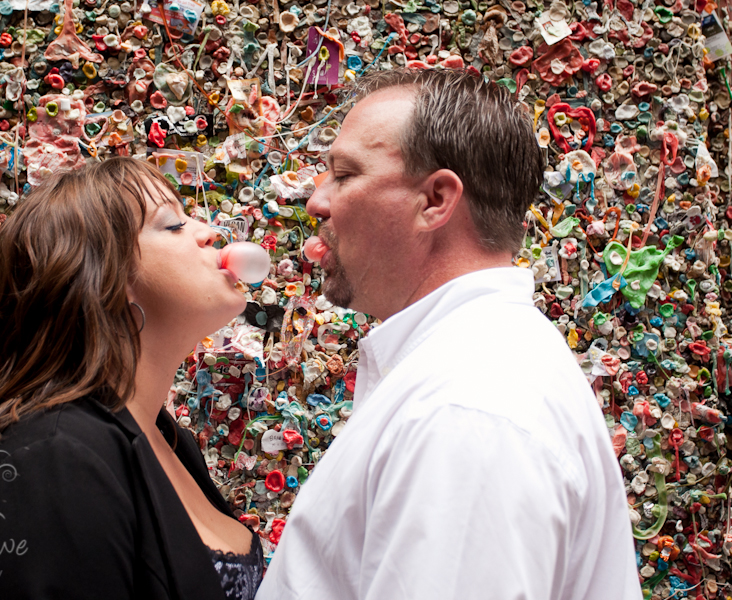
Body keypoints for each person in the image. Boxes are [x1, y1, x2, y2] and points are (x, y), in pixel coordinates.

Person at [256, 68, 642, 599]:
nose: (316, 201)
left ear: (435, 200)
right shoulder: (471, 377)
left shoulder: (468, 409)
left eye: (344, 175)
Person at [0, 157, 262, 600]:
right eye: (173, 225)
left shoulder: (172, 440)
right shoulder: (52, 456)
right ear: (105, 278)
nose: (208, 232)